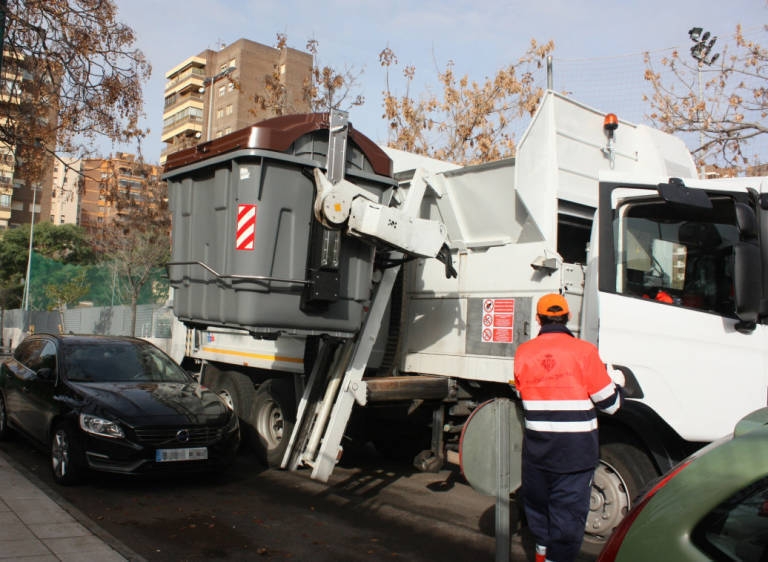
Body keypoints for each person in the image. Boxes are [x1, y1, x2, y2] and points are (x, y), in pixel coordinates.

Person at [512, 293, 622, 562]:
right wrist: (617, 381)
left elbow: (521, 393)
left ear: (538, 320)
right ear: (568, 317)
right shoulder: (584, 352)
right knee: (567, 524)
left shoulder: (523, 353)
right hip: (574, 456)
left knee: (539, 515)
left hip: (537, 454)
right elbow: (611, 405)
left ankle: (541, 556)